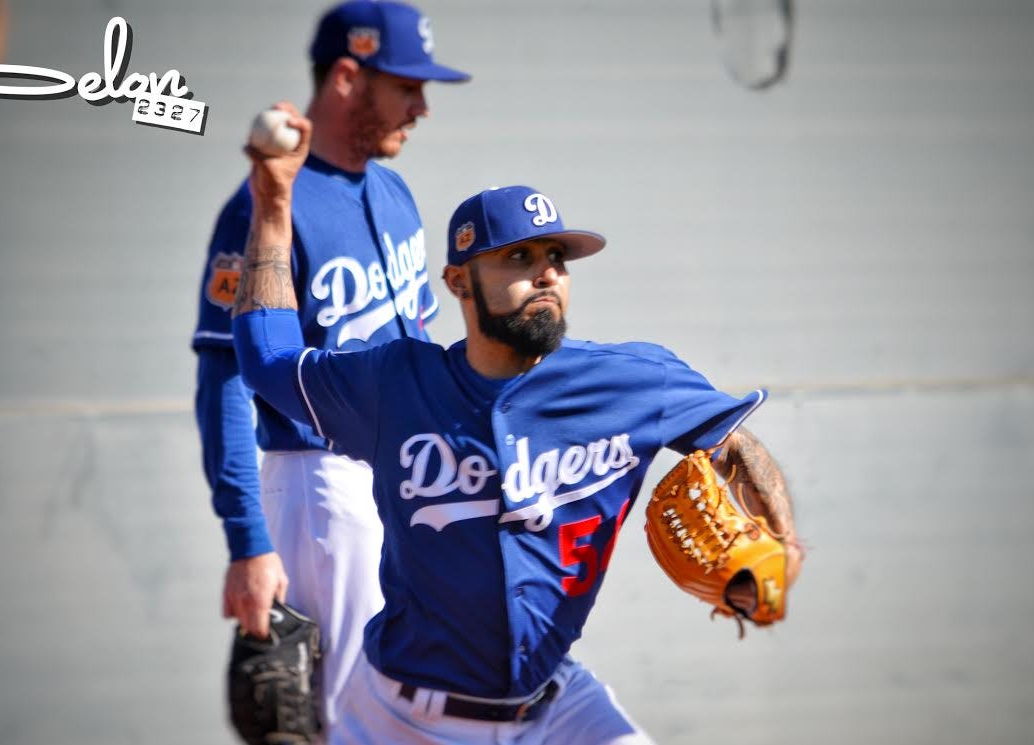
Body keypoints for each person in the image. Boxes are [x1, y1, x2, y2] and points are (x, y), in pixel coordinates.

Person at [231, 103, 803, 744]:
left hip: (555, 705)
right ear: (458, 282)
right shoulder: (394, 385)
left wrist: (780, 542)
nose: (547, 274)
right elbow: (268, 359)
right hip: (402, 718)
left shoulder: (633, 380)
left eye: (556, 256)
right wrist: (275, 204)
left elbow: (734, 443)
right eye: (519, 257)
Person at [190, 0, 469, 732]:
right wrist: (248, 540)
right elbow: (224, 380)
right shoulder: (259, 210)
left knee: (414, 707)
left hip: (403, 480)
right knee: (354, 719)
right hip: (321, 492)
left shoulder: (393, 190)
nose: (422, 106)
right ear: (348, 75)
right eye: (406, 85)